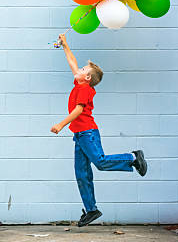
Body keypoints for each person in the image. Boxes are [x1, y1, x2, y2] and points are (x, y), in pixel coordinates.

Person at [51, 33, 147, 227]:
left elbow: (79, 110)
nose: (78, 69)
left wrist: (61, 124)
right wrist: (65, 45)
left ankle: (132, 158)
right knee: (82, 173)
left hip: (88, 133)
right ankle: (91, 209)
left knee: (101, 162)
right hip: (80, 136)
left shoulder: (85, 89)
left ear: (87, 77)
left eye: (83, 69)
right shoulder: (80, 82)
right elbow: (72, 61)